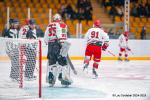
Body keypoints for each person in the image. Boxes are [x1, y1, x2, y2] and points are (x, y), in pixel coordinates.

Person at [44, 13, 72, 87]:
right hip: (58, 44)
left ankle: (50, 79)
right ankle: (63, 79)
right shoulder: (62, 25)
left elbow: (45, 38)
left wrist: (48, 43)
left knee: (52, 63)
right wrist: (63, 45)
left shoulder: (49, 25)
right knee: (63, 63)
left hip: (50, 46)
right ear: (60, 19)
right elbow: (61, 36)